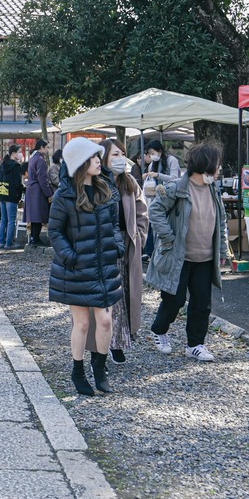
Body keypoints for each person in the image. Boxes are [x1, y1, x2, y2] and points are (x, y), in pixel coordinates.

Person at [49, 137, 125, 395]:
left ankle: (100, 366)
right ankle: (77, 369)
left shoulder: (106, 188)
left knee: (104, 321)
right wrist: (71, 256)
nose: (98, 161)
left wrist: (118, 246)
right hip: (77, 269)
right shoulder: (64, 194)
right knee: (81, 323)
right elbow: (55, 231)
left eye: (97, 156)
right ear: (80, 162)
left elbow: (115, 224)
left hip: (104, 267)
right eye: (93, 157)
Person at [146, 143, 229, 362]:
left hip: (205, 258)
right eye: (217, 165)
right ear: (207, 166)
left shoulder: (214, 189)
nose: (220, 169)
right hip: (179, 256)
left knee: (202, 304)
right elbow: (155, 210)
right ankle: (159, 330)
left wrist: (222, 250)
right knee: (174, 300)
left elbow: (220, 221)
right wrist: (168, 237)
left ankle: (195, 344)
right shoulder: (177, 188)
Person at [85, 140, 149, 364]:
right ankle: (100, 345)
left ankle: (118, 342)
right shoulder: (94, 183)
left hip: (126, 244)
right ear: (102, 158)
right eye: (114, 154)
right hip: (100, 247)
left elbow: (142, 211)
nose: (120, 158)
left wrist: (139, 236)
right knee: (104, 298)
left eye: (122, 154)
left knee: (123, 297)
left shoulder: (129, 181)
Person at [25, 138, 54, 247]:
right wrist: (49, 193)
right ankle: (35, 238)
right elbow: (43, 178)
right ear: (42, 147)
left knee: (34, 215)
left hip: (31, 189)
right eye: (47, 148)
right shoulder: (40, 160)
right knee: (38, 215)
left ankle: (34, 237)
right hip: (38, 189)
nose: (48, 150)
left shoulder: (33, 158)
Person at [0, 145, 25, 249]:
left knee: (3, 219)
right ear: (13, 153)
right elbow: (17, 183)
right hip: (12, 195)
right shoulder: (16, 166)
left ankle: (1, 242)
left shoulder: (3, 164)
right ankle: (9, 243)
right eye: (20, 152)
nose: (21, 154)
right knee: (12, 220)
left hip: (2, 194)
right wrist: (24, 189)